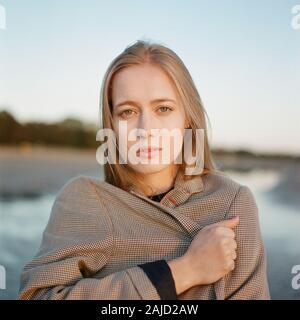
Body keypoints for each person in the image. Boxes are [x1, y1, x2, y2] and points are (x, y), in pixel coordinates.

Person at [17, 40, 270, 300]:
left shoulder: (232, 202)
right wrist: (183, 272)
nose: (145, 129)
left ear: (188, 119)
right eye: (128, 112)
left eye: (163, 108)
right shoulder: (85, 199)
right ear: (111, 124)